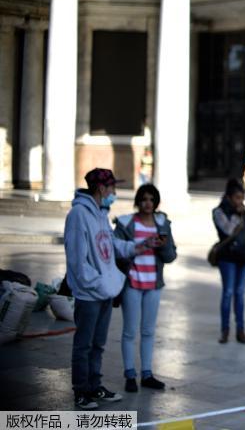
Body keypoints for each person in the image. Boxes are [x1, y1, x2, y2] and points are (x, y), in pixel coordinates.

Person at [65, 168, 159, 410]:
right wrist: (96, 282)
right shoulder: (78, 214)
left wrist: (139, 246)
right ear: (101, 188)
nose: (115, 192)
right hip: (90, 293)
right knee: (83, 345)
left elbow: (111, 244)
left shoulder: (100, 214)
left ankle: (95, 385)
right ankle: (81, 391)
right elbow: (77, 260)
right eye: (112, 188)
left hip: (105, 290)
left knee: (98, 344)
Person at [113, 184, 177, 393]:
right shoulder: (126, 223)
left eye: (151, 199)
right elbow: (116, 253)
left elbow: (170, 256)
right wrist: (141, 246)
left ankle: (147, 373)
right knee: (130, 331)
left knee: (148, 331)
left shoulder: (162, 224)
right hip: (132, 282)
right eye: (144, 199)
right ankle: (130, 374)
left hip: (154, 284)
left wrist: (162, 244)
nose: (147, 203)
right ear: (138, 201)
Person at [212, 179, 245, 344]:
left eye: (242, 197)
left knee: (240, 294)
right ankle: (225, 329)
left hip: (243, 257)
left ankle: (241, 329)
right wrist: (238, 215)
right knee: (228, 292)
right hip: (227, 257)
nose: (240, 201)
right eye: (237, 197)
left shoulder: (243, 212)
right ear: (229, 197)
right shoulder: (219, 211)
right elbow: (228, 230)